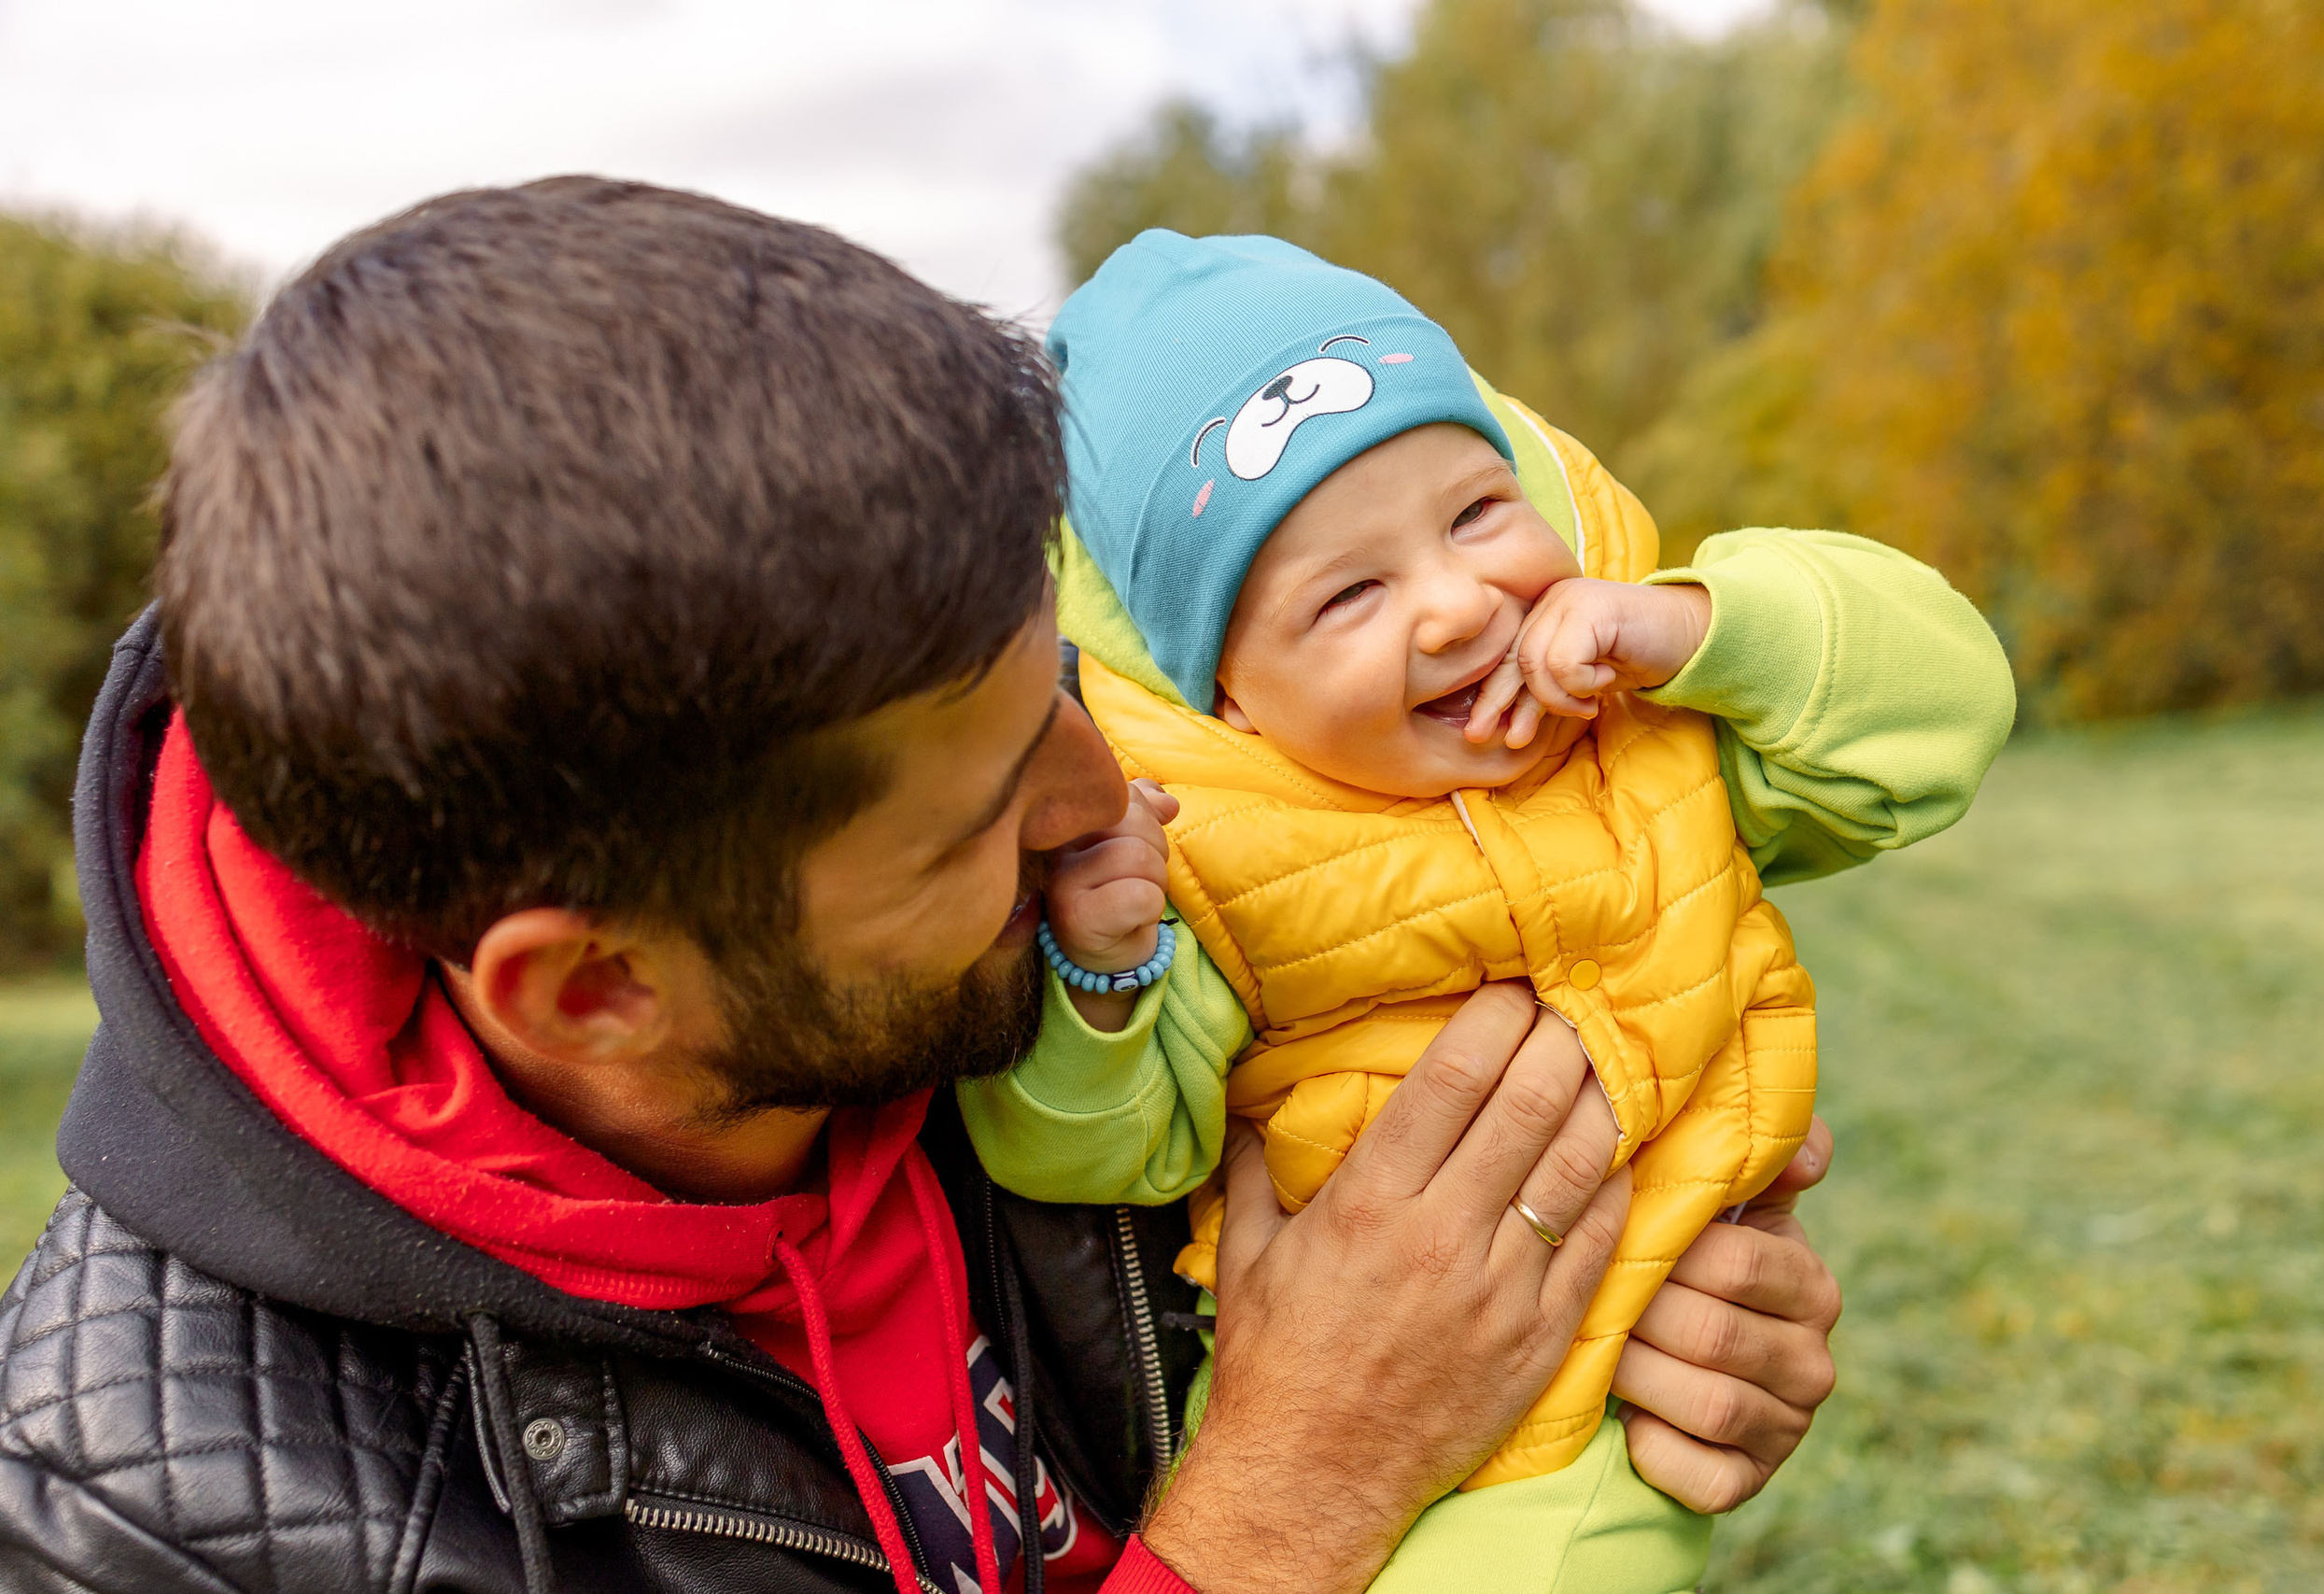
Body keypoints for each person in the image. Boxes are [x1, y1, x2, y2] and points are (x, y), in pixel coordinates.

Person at [0, 181, 1845, 1594]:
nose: (1106, 800)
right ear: (594, 990)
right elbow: (1321, 1429)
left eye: (1065, 683)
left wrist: (1608, 1332)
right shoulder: (175, 1526)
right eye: (975, 819)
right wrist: (1296, 1489)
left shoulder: (1051, 925)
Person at [960, 232, 2014, 1591]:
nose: (1459, 605)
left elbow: (1938, 721)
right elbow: (1104, 1156)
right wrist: (1103, 982)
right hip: (1310, 1392)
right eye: (1350, 594)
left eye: (1474, 515)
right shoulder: (1207, 864)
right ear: (1227, 696)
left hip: (1610, 1395)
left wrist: (1698, 632)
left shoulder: (1646, 728)